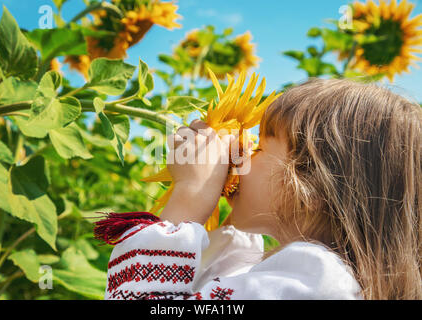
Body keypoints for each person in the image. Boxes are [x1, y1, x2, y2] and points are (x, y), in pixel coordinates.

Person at [94, 78, 421, 300]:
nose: (242, 154)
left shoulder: (316, 280)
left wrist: (190, 197)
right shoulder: (299, 278)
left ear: (309, 185)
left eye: (260, 149)